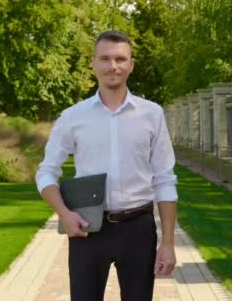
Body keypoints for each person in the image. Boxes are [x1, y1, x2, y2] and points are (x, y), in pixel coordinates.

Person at [35, 30, 178, 301]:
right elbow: (46, 172)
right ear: (93, 63)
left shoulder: (152, 114)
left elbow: (165, 179)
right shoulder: (72, 117)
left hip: (138, 229)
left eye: (120, 59)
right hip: (88, 229)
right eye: (105, 59)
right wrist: (64, 214)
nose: (113, 66)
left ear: (131, 65)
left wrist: (168, 243)